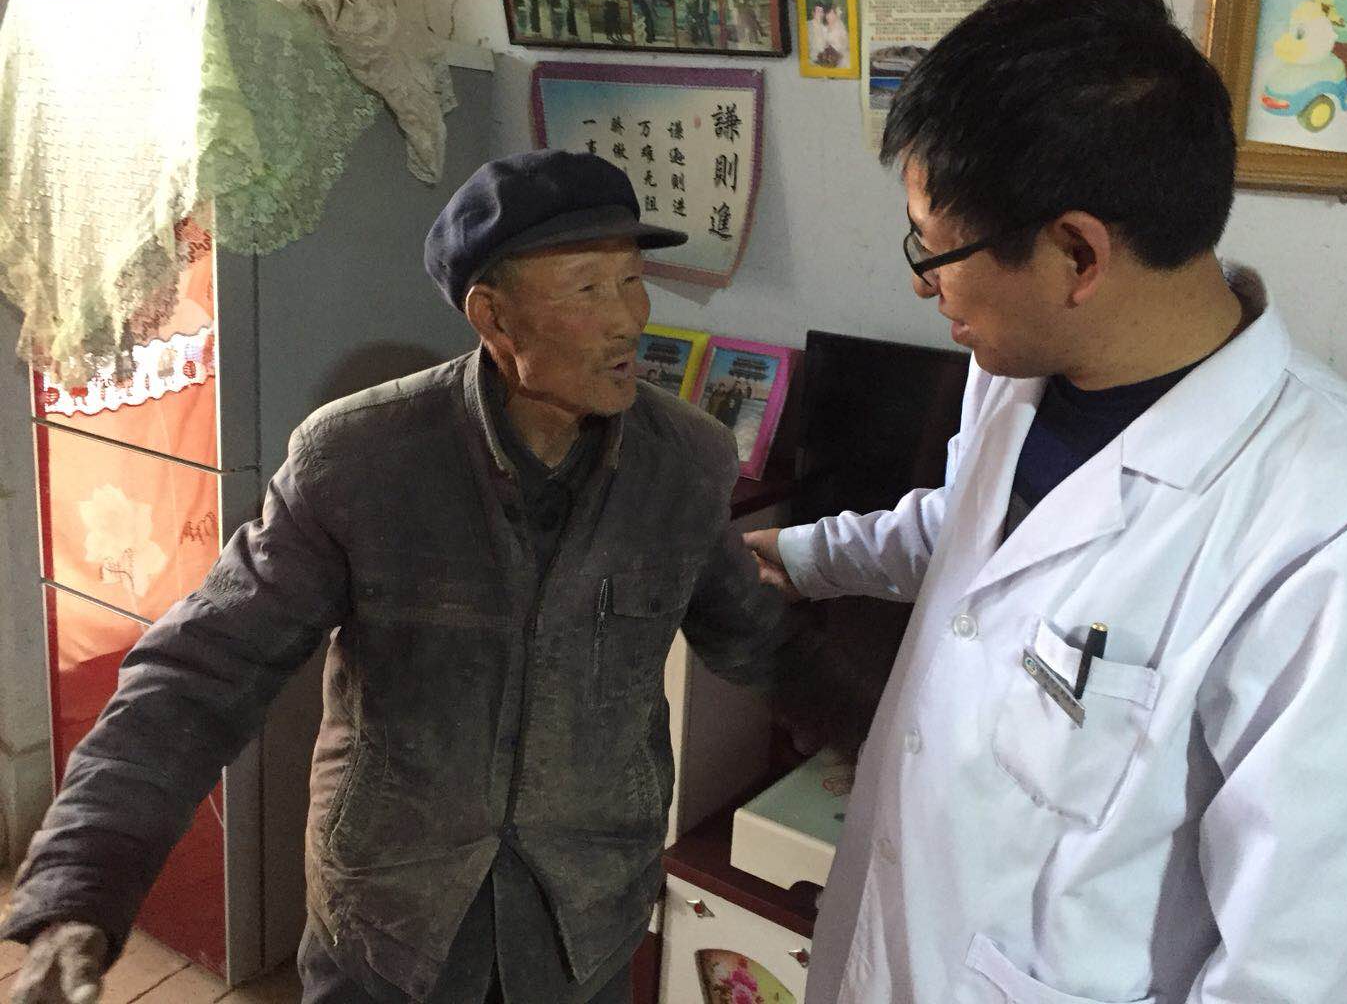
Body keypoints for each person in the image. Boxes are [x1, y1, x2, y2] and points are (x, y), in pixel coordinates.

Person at [745, 0, 1347, 1003]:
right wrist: (801, 557)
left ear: (1077, 254)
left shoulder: (1342, 521)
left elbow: (1306, 969)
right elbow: (974, 539)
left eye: (936, 249)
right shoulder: (1016, 371)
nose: (923, 282)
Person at [3, 149, 791, 1004]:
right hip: (390, 924)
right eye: (589, 288)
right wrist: (80, 888)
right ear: (494, 317)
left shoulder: (684, 464)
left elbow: (762, 642)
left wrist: (877, 727)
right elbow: (201, 673)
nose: (629, 319)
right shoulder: (360, 460)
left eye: (633, 281)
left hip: (583, 924)